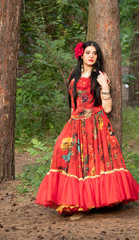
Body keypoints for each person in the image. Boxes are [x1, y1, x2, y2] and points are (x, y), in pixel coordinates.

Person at [35, 41, 139, 220]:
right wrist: (71, 122)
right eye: (88, 52)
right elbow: (73, 103)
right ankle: (73, 202)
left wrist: (105, 86)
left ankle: (85, 206)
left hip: (95, 124)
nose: (91, 55)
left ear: (97, 57)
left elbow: (107, 108)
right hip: (75, 122)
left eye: (95, 53)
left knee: (90, 163)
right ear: (81, 55)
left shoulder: (99, 76)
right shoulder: (73, 75)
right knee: (62, 152)